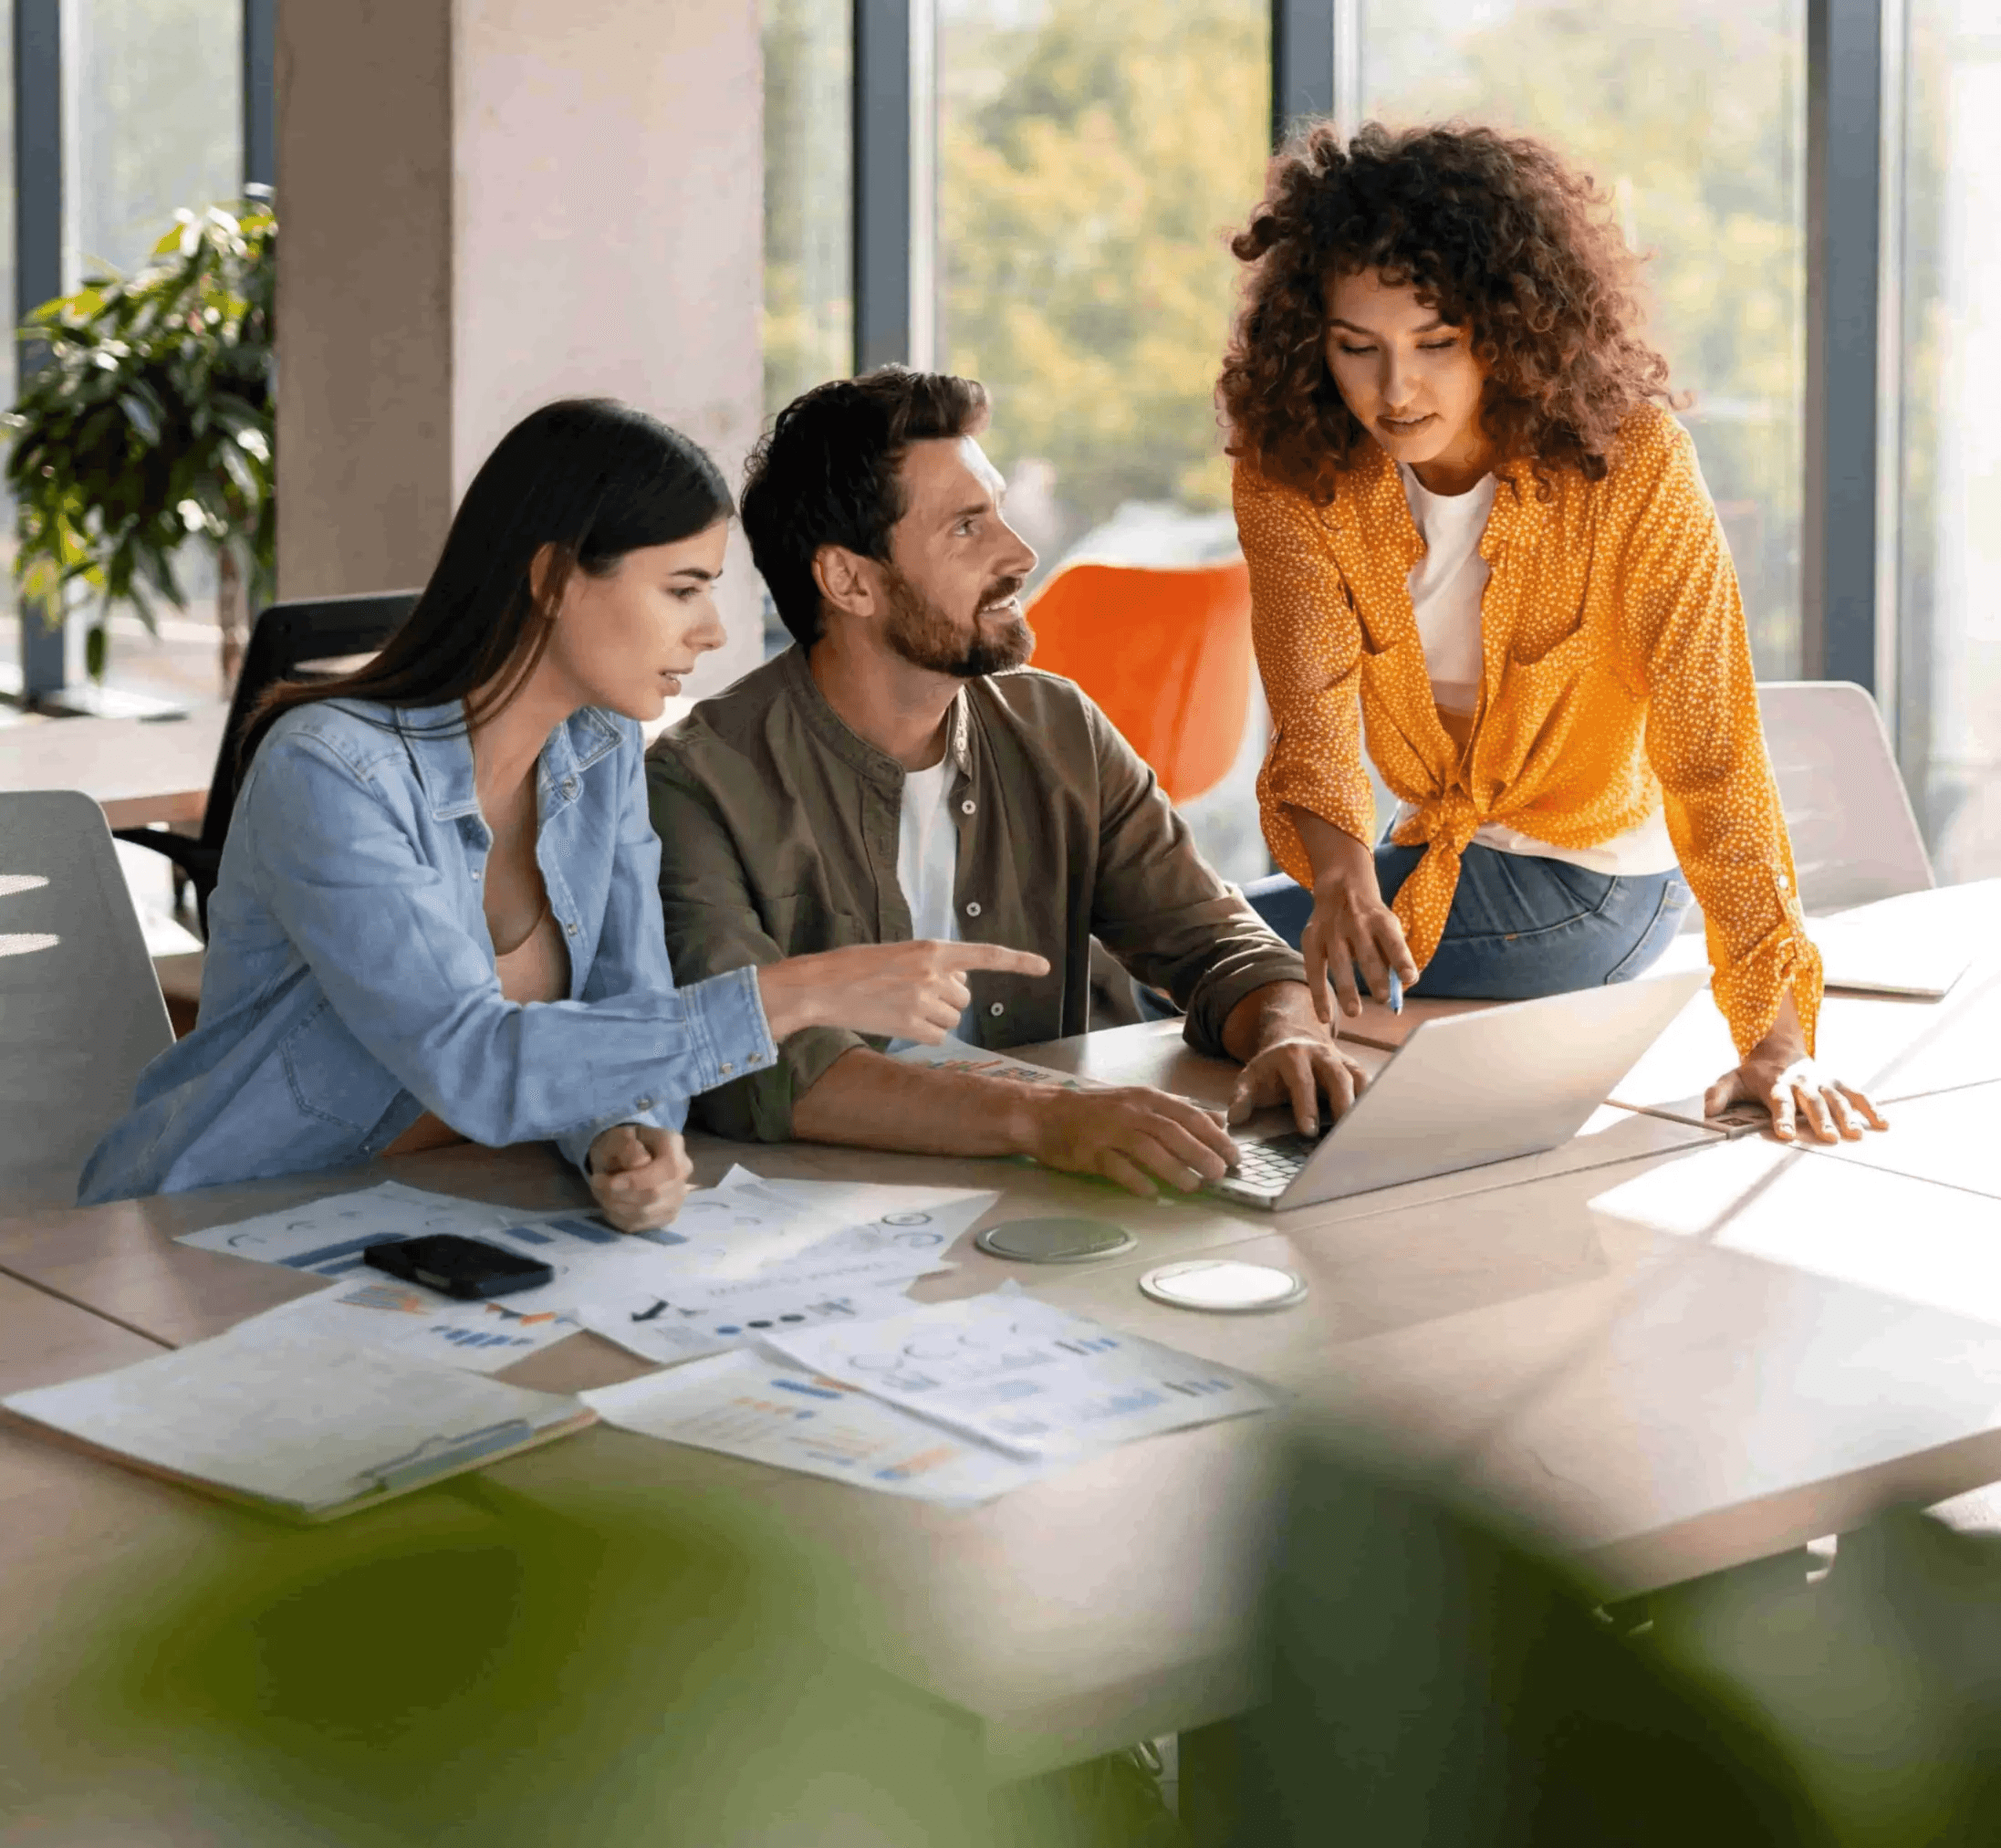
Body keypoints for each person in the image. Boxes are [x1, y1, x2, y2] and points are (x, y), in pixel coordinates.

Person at [78, 399, 1043, 1218]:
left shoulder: (601, 746)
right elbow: (474, 1063)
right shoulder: (330, 773)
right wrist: (805, 991)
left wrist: (620, 1134)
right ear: (550, 579)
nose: (711, 632)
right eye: (681, 590)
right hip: (222, 1220)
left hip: (453, 1215)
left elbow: (626, 1014)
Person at [1218, 122, 1889, 1146]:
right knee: (1203, 948)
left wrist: (1776, 1040)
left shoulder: (1633, 469)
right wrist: (1345, 881)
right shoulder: (1296, 473)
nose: (1394, 390)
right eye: (1358, 348)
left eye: (1435, 345)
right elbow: (1309, 724)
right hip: (1429, 858)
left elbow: (1714, 760)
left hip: (1596, 889)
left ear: (1509, 330)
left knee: (1191, 953)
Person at [645, 368, 1370, 1200]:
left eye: (997, 511)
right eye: (965, 528)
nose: (1020, 554)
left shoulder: (1057, 725)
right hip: (831, 1212)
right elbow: (749, 1065)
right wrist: (1043, 1118)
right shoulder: (696, 784)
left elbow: (1212, 939)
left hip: (1066, 1190)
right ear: (849, 581)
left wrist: (1286, 1033)